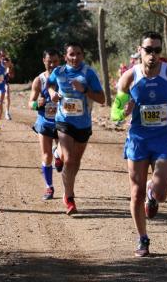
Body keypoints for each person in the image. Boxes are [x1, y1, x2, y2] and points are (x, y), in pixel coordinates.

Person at [111, 31, 167, 258]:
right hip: (138, 140)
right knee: (135, 192)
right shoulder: (130, 77)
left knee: (161, 194)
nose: (153, 55)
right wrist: (122, 111)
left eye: (157, 50)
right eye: (148, 50)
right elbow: (115, 112)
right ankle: (142, 238)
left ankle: (153, 192)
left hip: (162, 140)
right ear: (139, 50)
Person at [47, 42, 105, 215]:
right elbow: (50, 84)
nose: (75, 57)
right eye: (71, 54)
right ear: (65, 57)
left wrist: (85, 89)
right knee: (70, 159)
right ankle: (69, 197)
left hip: (83, 124)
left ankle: (57, 153)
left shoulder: (89, 73)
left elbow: (102, 99)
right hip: (64, 121)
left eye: (78, 54)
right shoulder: (59, 72)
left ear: (83, 55)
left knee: (75, 162)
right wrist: (52, 94)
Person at [29, 48, 62, 200]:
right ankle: (49, 187)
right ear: (44, 61)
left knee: (63, 156)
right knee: (46, 156)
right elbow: (30, 103)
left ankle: (58, 154)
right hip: (44, 122)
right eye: (49, 62)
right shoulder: (39, 80)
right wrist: (37, 103)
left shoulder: (64, 78)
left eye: (55, 61)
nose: (53, 65)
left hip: (62, 122)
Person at [0, 49, 15, 120]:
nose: (2, 57)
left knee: (7, 96)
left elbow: (12, 76)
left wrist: (10, 67)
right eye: (1, 55)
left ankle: (7, 113)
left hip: (5, 82)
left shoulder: (8, 62)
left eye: (4, 55)